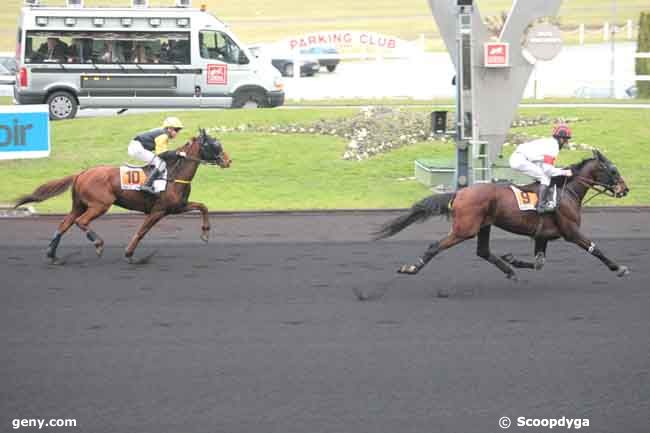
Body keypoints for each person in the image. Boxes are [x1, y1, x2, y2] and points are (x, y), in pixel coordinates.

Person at [509, 123, 573, 214]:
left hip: (521, 158)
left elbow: (544, 165)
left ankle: (541, 197)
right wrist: (564, 172)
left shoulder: (550, 142)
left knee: (543, 175)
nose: (566, 143)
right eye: (566, 140)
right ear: (561, 139)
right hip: (520, 160)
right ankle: (541, 206)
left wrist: (558, 171)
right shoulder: (553, 147)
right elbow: (548, 170)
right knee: (545, 177)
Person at [128, 117, 184, 194]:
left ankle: (152, 183)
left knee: (158, 162)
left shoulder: (163, 132)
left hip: (137, 146)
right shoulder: (163, 136)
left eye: (178, 130)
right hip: (137, 148)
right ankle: (147, 185)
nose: (177, 133)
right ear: (169, 129)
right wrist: (177, 153)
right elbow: (162, 154)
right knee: (161, 163)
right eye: (176, 130)